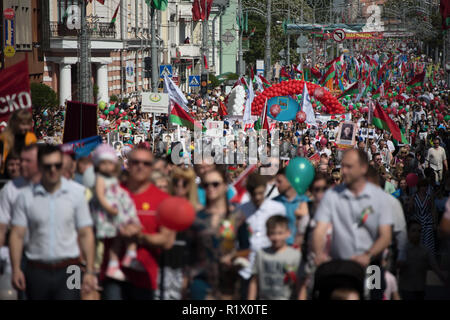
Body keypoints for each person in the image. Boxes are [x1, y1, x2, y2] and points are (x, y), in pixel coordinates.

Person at [8, 144, 97, 300]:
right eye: (48, 166)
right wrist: (16, 269)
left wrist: (89, 271)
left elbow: (86, 233)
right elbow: (17, 234)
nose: (53, 170)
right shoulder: (26, 196)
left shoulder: (77, 194)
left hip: (71, 268)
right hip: (36, 268)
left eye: (57, 165)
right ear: (40, 167)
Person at [312, 149, 393, 300]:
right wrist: (319, 255)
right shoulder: (332, 195)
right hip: (340, 266)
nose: (344, 171)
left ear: (362, 168)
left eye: (349, 167)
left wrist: (367, 256)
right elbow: (319, 229)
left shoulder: (379, 198)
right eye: (343, 166)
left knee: (373, 296)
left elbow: (385, 236)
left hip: (371, 264)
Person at [100, 146, 175, 300]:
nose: (140, 166)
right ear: (128, 164)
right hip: (113, 276)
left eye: (146, 163)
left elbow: (167, 241)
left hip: (144, 278)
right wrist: (119, 229)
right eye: (136, 162)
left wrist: (140, 235)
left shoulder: (163, 199)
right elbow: (96, 226)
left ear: (152, 167)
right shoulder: (112, 192)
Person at [89, 144, 141, 281]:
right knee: (115, 239)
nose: (106, 167)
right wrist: (109, 208)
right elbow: (100, 196)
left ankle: (130, 254)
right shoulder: (100, 179)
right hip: (109, 213)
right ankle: (113, 264)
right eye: (103, 163)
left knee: (128, 232)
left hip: (118, 211)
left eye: (109, 163)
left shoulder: (113, 178)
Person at [188, 167, 238, 300]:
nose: (210, 188)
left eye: (215, 184)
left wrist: (233, 256)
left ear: (225, 186)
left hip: (227, 284)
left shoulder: (234, 217)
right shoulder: (197, 218)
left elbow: (246, 248)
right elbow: (189, 253)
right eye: (206, 185)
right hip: (200, 282)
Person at [235, 173, 286, 299]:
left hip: (270, 269)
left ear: (265, 189)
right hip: (246, 269)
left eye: (260, 193)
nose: (257, 197)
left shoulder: (277, 208)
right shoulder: (241, 210)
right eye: (254, 194)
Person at [247, 215, 301, 300]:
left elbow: (300, 284)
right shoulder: (261, 254)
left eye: (280, 233)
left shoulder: (295, 255)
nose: (276, 237)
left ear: (288, 233)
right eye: (272, 233)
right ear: (267, 234)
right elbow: (254, 281)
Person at [398, 221, 446, 300]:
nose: (417, 234)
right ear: (408, 232)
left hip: (419, 290)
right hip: (406, 290)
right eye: (413, 230)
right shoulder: (403, 250)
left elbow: (435, 267)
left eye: (419, 231)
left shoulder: (425, 251)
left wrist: (443, 278)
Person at [0, 109, 37, 175]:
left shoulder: (31, 137)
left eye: (28, 124)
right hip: (6, 173)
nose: (25, 127)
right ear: (14, 123)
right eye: (23, 124)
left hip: (24, 174)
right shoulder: (4, 137)